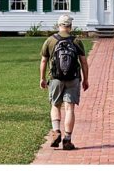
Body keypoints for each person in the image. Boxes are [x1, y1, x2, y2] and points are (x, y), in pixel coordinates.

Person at [40, 14, 89, 151]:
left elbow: (44, 61)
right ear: (70, 26)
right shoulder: (76, 41)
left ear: (59, 25)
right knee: (69, 108)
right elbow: (83, 62)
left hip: (55, 78)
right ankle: (67, 140)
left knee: (55, 105)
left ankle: (56, 131)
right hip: (73, 78)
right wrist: (85, 79)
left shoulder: (50, 41)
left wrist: (42, 78)